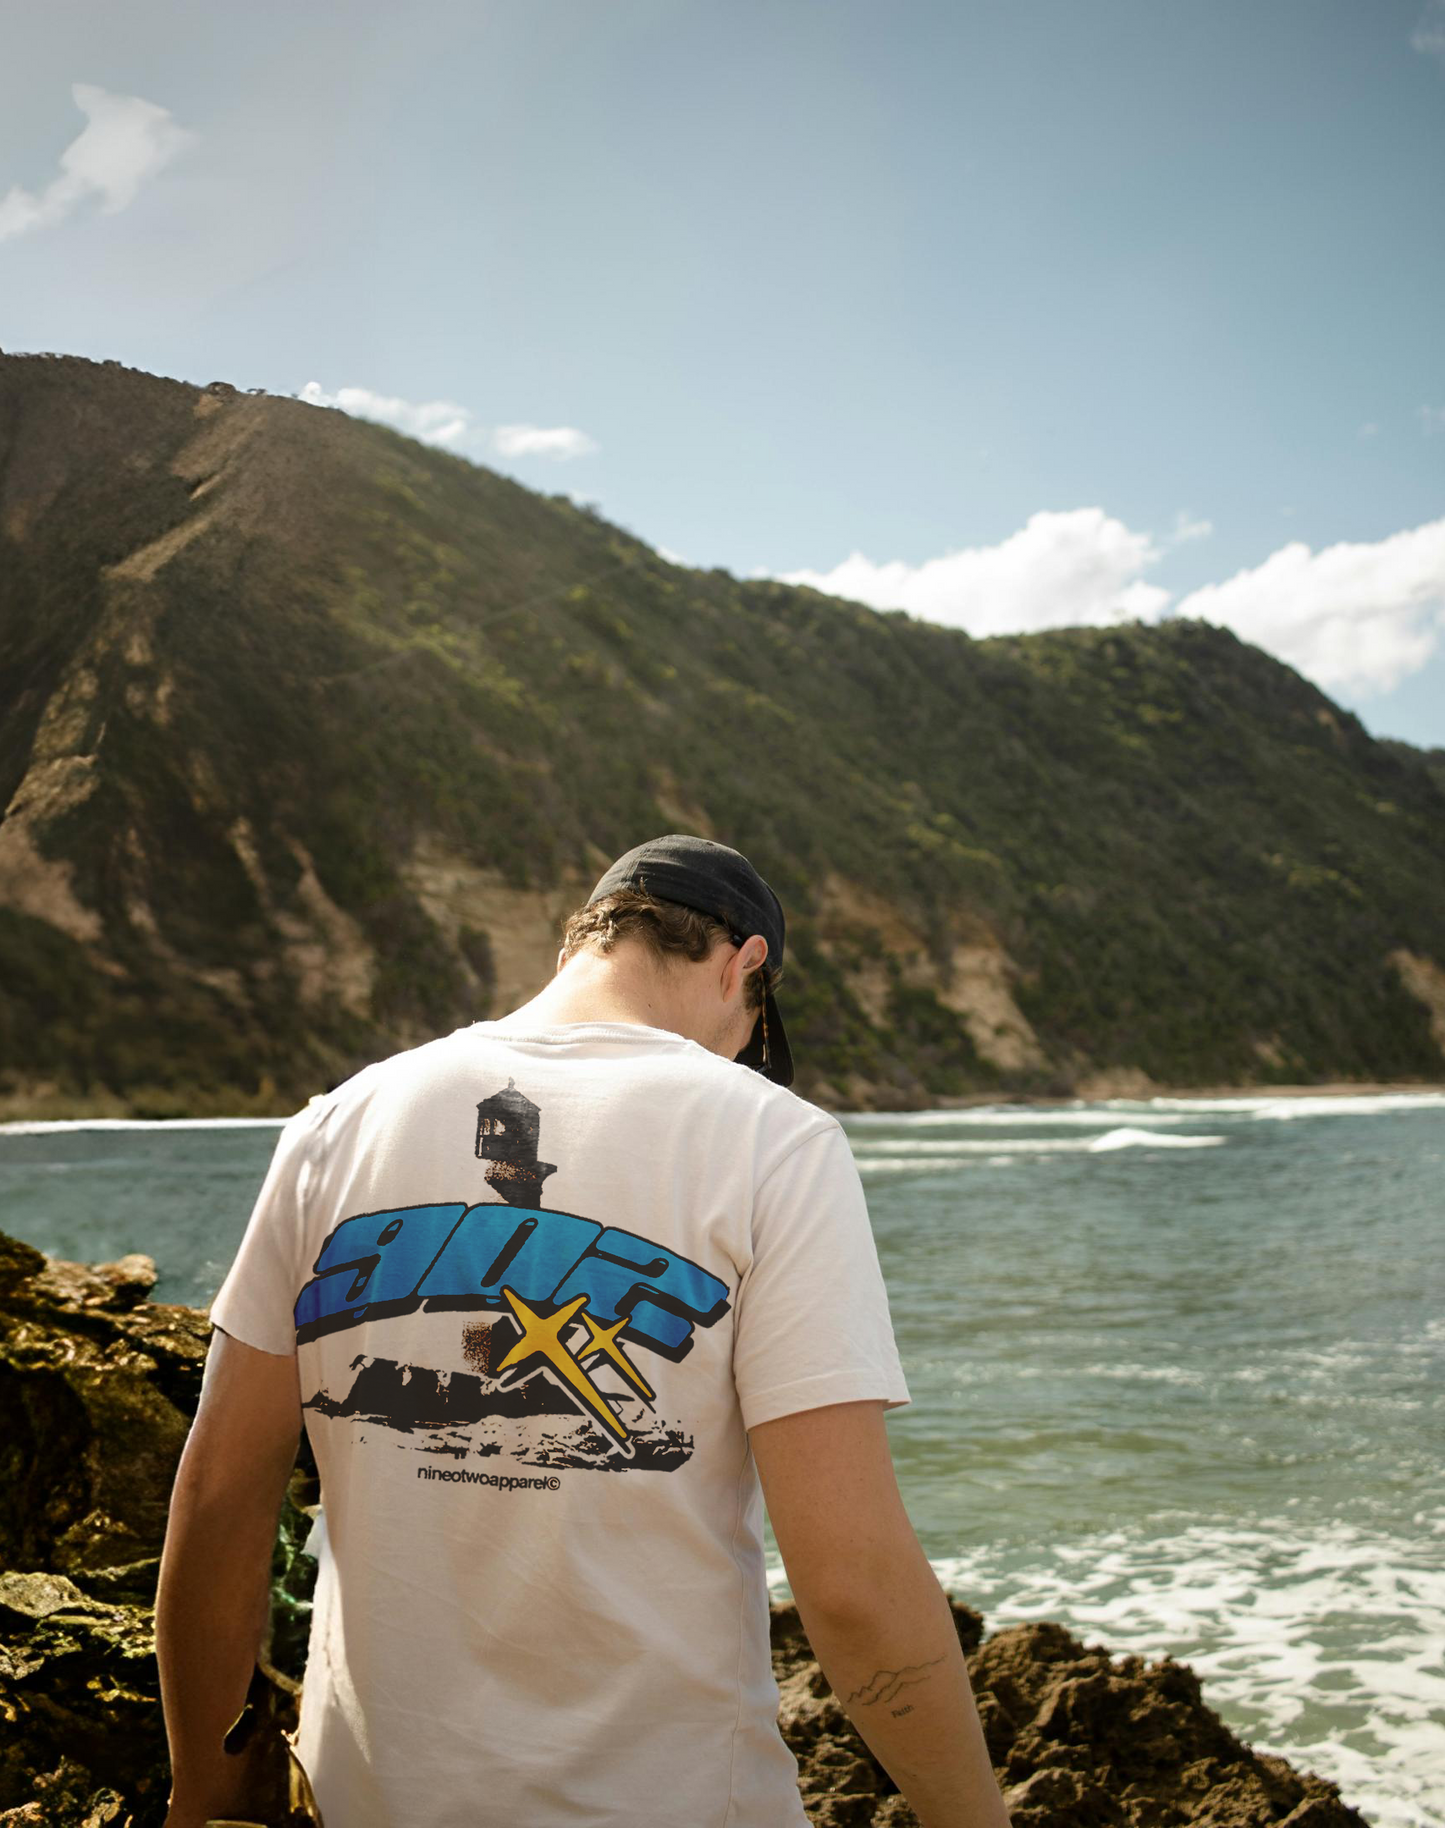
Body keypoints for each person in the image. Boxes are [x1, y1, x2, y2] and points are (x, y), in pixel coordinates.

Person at [155, 834, 1011, 1828]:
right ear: (746, 966)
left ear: (579, 943)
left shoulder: (337, 1125)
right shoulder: (773, 1144)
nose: (734, 1055)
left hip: (367, 1800)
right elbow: (851, 1578)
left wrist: (204, 1792)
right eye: (746, 1027)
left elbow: (219, 1492)